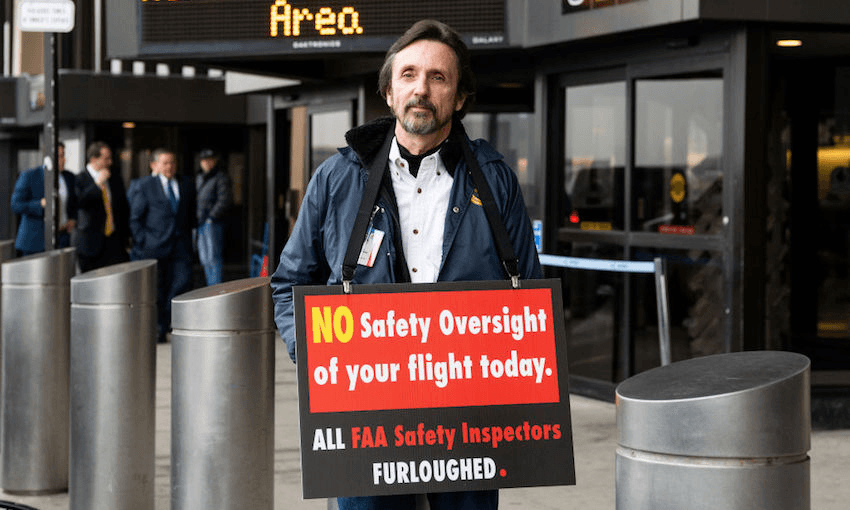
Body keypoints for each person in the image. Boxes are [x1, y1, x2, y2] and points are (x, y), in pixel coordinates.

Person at [270, 20, 541, 510]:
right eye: (409, 74)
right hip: (362, 415)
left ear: (459, 97)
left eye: (438, 77)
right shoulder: (336, 179)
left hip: (470, 418)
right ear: (389, 92)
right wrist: (315, 356)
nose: (422, 88)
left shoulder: (495, 180)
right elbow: (290, 282)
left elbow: (531, 293)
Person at [128, 148, 197, 343]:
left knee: (181, 283)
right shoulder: (145, 185)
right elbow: (135, 218)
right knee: (157, 289)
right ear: (155, 165)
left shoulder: (186, 184)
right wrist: (142, 241)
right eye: (165, 163)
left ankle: (170, 322)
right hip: (154, 246)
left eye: (172, 163)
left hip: (181, 246)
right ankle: (158, 328)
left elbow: (191, 215)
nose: (169, 167)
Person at [10, 142, 77, 256]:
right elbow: (16, 205)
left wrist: (73, 219)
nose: (64, 159)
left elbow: (74, 202)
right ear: (48, 158)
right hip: (34, 242)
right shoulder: (29, 175)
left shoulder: (69, 177)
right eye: (59, 156)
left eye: (63, 155)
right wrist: (40, 204)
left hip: (62, 238)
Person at [74, 141, 130, 272]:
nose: (110, 162)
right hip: (90, 245)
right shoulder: (79, 179)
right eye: (106, 159)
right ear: (94, 159)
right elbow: (80, 203)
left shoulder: (115, 178)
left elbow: (123, 209)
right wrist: (97, 184)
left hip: (114, 243)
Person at [195, 148, 232, 285]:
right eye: (204, 161)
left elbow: (225, 200)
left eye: (210, 160)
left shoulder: (220, 177)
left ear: (215, 161)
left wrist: (211, 217)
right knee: (204, 258)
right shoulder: (200, 177)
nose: (207, 163)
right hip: (200, 222)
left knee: (213, 257)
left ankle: (214, 287)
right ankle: (209, 286)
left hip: (212, 222)